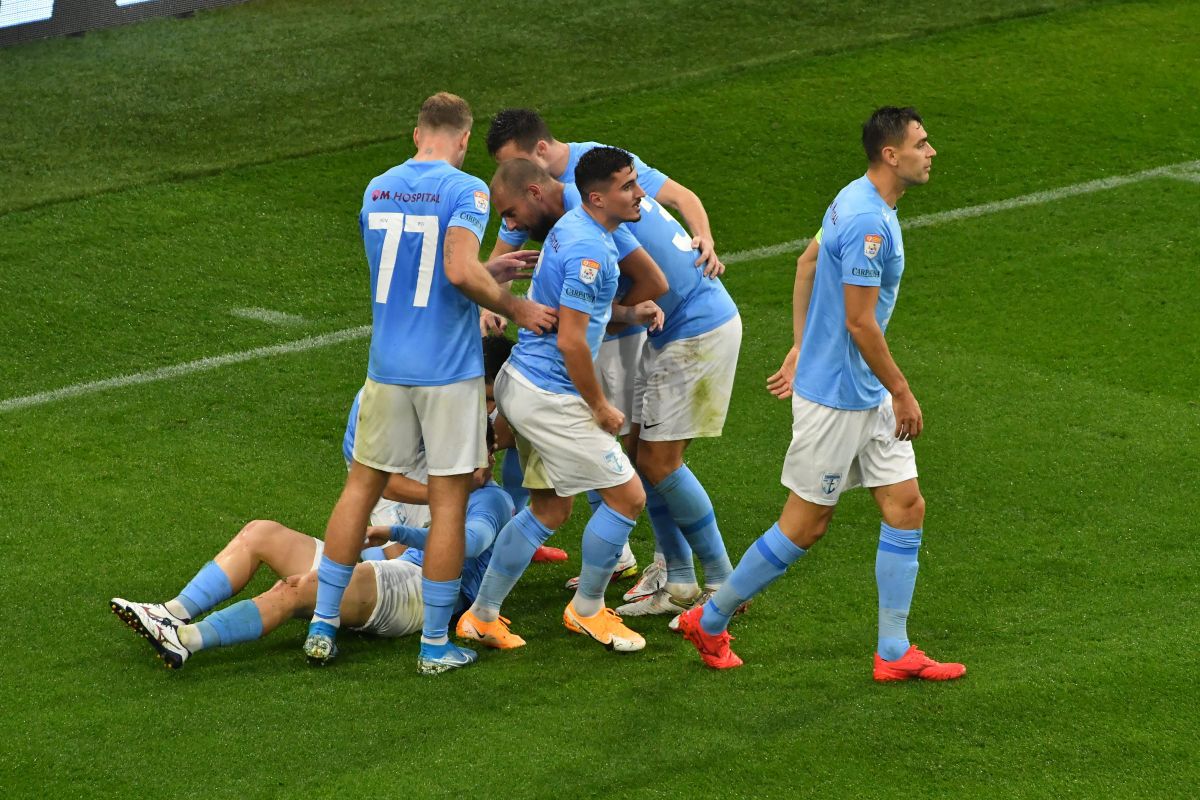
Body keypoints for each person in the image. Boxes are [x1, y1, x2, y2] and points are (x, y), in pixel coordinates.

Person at [678, 107, 966, 682]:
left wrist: (800, 344)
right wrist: (902, 390)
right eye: (921, 143)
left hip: (862, 390)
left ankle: (893, 651)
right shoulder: (867, 222)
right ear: (891, 155)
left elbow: (806, 263)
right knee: (805, 526)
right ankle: (708, 619)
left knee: (906, 506)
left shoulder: (854, 198)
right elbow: (860, 322)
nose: (931, 152)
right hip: (837, 398)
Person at [305, 92, 556, 674]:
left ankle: (321, 623)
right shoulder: (465, 190)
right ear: (464, 140)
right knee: (448, 504)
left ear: (417, 134)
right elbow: (455, 269)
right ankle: (435, 645)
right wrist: (514, 306)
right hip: (447, 372)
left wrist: (481, 275)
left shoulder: (376, 188)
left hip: (386, 367)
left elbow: (415, 274)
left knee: (359, 490)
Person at [484, 158, 742, 625]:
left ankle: (716, 582)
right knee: (633, 473)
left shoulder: (584, 226)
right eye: (629, 186)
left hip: (691, 330)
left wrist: (608, 320)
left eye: (511, 213)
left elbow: (639, 291)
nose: (512, 227)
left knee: (645, 468)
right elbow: (578, 333)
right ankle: (670, 583)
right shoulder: (584, 229)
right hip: (590, 367)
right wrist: (607, 332)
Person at [457, 147, 663, 653]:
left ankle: (481, 616)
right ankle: (588, 609)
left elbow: (575, 315)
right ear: (597, 197)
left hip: (522, 383)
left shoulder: (574, 228)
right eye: (627, 186)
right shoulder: (591, 250)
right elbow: (572, 341)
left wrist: (628, 315)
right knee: (628, 497)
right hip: (552, 396)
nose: (640, 194)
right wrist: (599, 406)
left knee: (548, 509)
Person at [110, 483, 514, 670]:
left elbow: (470, 543)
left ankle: (184, 641)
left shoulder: (490, 498)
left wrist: (396, 532)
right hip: (389, 569)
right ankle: (170, 613)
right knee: (261, 533)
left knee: (298, 590)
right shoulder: (436, 481)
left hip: (419, 592)